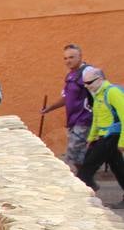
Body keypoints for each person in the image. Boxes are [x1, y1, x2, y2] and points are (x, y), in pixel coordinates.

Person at [41, 44, 95, 171]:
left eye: (71, 57)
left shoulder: (88, 72)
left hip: (84, 120)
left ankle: (83, 180)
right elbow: (66, 98)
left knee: (73, 154)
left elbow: (98, 96)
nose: (68, 61)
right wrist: (50, 108)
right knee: (79, 155)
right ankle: (86, 180)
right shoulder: (71, 76)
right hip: (73, 121)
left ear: (80, 57)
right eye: (65, 58)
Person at [78, 66, 124, 206]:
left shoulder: (112, 92)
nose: (87, 86)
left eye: (89, 83)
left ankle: (82, 200)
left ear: (100, 79)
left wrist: (122, 141)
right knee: (119, 169)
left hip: (112, 136)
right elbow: (97, 119)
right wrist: (91, 137)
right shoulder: (97, 94)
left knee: (87, 168)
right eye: (84, 84)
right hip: (103, 137)